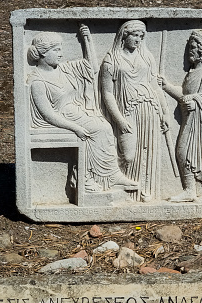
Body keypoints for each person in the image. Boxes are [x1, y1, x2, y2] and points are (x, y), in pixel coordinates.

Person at [27, 26, 138, 192]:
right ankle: (87, 178)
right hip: (61, 118)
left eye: (61, 50)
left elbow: (91, 67)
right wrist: (75, 127)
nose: (61, 54)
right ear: (43, 52)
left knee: (105, 127)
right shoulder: (37, 81)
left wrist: (87, 40)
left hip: (75, 111)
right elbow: (48, 114)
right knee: (97, 130)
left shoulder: (63, 69)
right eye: (56, 50)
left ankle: (111, 175)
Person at [100, 20, 171, 202]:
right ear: (125, 35)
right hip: (127, 111)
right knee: (129, 155)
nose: (138, 40)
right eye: (135, 35)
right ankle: (121, 189)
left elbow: (155, 86)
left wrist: (165, 112)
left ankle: (145, 192)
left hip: (150, 108)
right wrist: (119, 120)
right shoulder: (111, 60)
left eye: (141, 36)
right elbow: (107, 93)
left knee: (148, 151)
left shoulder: (147, 57)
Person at [160, 29, 202, 203]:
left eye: (193, 47)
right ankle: (190, 189)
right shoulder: (192, 72)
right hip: (190, 121)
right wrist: (167, 86)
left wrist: (197, 101)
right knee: (182, 151)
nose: (190, 50)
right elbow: (184, 95)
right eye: (189, 47)